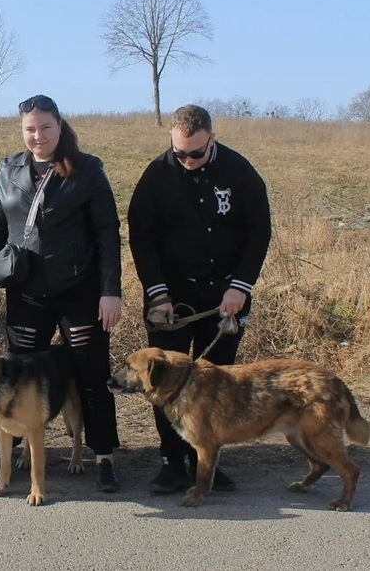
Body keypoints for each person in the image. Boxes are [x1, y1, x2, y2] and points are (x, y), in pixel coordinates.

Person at [0, 95, 123, 492]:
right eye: (29, 128)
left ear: (60, 126)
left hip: (80, 291)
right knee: (12, 375)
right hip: (26, 293)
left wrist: (111, 291)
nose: (37, 136)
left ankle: (104, 455)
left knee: (91, 373)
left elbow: (108, 233)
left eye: (45, 127)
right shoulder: (8, 170)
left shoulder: (87, 170)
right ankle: (1, 453)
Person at [127, 103, 272, 494]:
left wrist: (241, 285)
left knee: (218, 381)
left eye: (195, 152)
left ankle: (204, 460)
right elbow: (141, 237)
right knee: (164, 384)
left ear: (213, 139)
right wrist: (157, 293)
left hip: (225, 296)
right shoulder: (157, 175)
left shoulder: (240, 173)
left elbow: (259, 232)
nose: (187, 160)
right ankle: (172, 461)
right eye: (179, 153)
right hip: (170, 300)